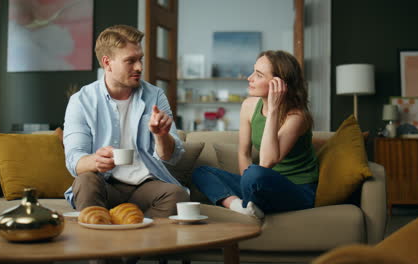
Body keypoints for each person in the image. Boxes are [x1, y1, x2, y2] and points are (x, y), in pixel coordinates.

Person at [63, 25, 189, 218]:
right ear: (107, 63)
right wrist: (96, 161)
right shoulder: (81, 101)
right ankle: (99, 239)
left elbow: (171, 157)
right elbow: (74, 160)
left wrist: (161, 136)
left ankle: (137, 237)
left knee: (176, 195)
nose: (139, 67)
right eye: (130, 61)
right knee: (84, 182)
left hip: (145, 185)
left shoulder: (155, 96)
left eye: (140, 59)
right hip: (105, 185)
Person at [192, 50, 319, 218]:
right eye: (253, 71)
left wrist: (273, 109)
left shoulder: (297, 117)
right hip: (260, 186)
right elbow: (243, 153)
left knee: (255, 172)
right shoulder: (249, 106)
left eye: (258, 75)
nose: (249, 78)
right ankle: (240, 206)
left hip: (296, 190)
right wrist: (248, 186)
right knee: (201, 172)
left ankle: (249, 204)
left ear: (278, 84)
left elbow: (267, 161)